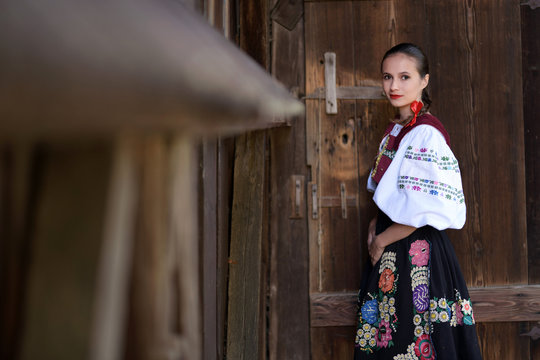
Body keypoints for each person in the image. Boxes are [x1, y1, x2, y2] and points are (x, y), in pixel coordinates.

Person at [354, 43, 482, 360]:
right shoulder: (400, 130)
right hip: (395, 249)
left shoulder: (425, 135)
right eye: (387, 77)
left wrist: (381, 240)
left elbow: (422, 209)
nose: (394, 86)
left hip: (415, 252)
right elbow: (398, 196)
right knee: (392, 338)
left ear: (424, 80)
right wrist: (375, 223)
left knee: (416, 339)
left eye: (404, 76)